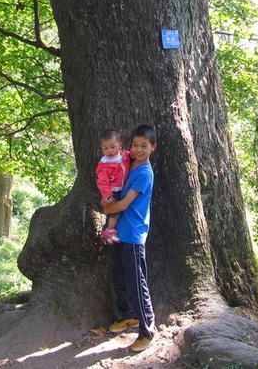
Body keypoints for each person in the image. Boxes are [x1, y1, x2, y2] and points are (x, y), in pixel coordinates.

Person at [101, 124, 158, 352]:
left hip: (133, 234)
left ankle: (148, 329)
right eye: (135, 145)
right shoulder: (128, 163)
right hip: (120, 232)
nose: (139, 149)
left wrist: (106, 210)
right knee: (119, 277)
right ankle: (128, 316)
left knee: (136, 283)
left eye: (144, 146)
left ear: (153, 147)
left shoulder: (144, 173)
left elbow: (124, 203)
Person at [96, 130, 131, 244]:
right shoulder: (104, 163)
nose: (109, 151)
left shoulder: (123, 154)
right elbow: (102, 181)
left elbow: (129, 155)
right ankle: (109, 231)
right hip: (113, 191)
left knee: (118, 212)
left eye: (112, 147)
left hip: (123, 188)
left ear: (119, 145)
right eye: (105, 148)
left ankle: (110, 229)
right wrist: (107, 195)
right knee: (115, 213)